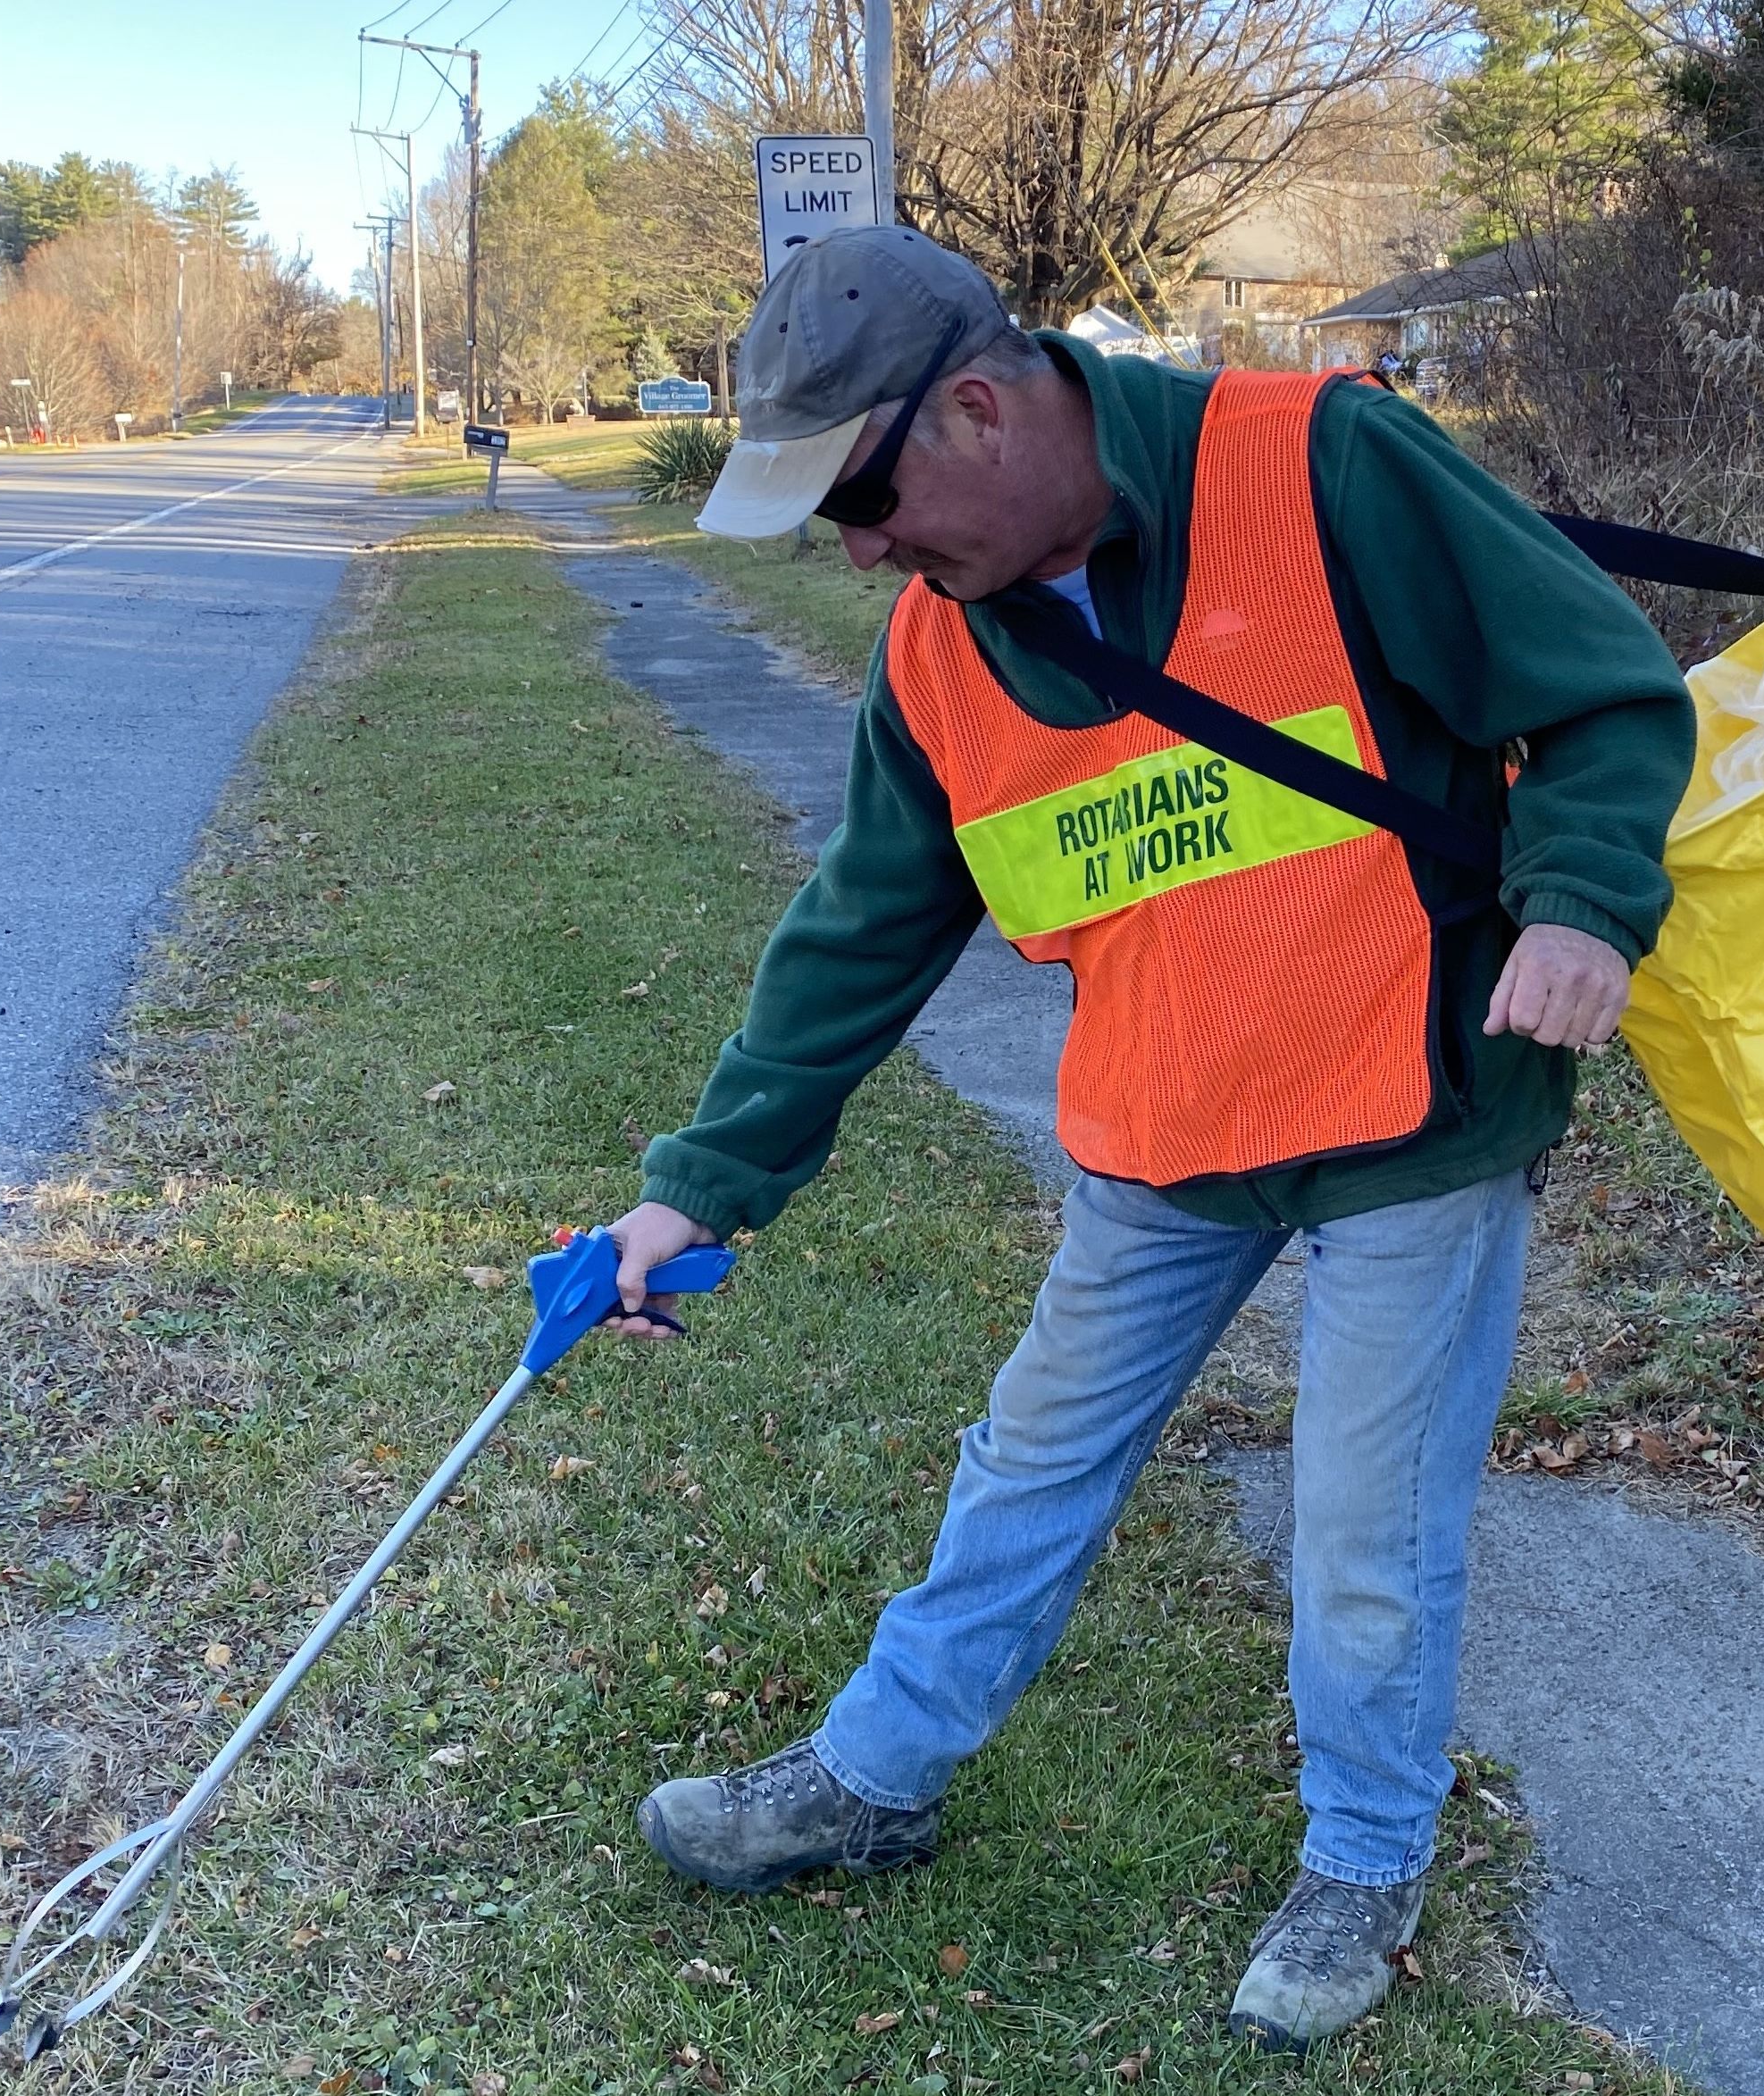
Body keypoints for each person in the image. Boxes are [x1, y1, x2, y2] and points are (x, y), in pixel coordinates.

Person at [604, 224, 1691, 2050]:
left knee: (1361, 1522)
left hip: (1411, 1116)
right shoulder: (939, 654)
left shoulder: (1321, 461)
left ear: (975, 406)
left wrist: (1584, 897)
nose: (862, 551)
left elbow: (1601, 687)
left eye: (861, 500)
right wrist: (699, 1181)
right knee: (1023, 1462)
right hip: (1170, 1123)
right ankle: (877, 1776)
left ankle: (1362, 1855)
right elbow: (863, 927)